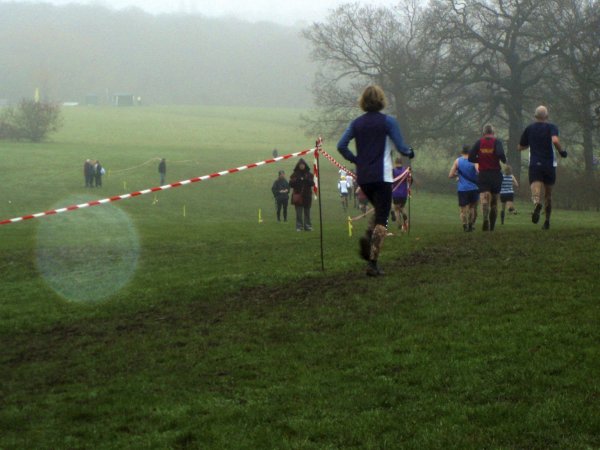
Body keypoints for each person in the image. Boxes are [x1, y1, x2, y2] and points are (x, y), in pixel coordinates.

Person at [337, 85, 414, 276]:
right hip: (382, 176)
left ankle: (367, 237)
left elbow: (341, 145)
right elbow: (401, 147)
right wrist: (410, 152)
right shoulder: (388, 122)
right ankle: (372, 263)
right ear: (381, 100)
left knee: (379, 210)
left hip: (364, 177)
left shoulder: (356, 123)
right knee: (382, 218)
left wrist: (356, 160)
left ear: (363, 101)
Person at [518, 105, 567, 230]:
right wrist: (562, 152)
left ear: (535, 116)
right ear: (547, 116)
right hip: (549, 164)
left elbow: (520, 147)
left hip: (535, 164)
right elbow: (555, 140)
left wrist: (530, 143)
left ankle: (537, 204)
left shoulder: (529, 128)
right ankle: (547, 222)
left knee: (536, 191)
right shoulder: (552, 127)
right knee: (548, 195)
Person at [468, 124, 506, 231]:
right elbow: (500, 153)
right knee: (494, 202)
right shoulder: (497, 142)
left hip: (483, 174)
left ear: (483, 133)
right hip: (495, 174)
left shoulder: (479, 142)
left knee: (484, 198)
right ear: (493, 133)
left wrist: (480, 159)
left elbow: (470, 157)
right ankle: (492, 227)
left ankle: (485, 219)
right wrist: (503, 160)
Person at [449, 145, 479, 231]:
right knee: (472, 208)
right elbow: (479, 171)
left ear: (462, 152)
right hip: (474, 188)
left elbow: (450, 175)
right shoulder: (474, 161)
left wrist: (457, 175)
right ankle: (470, 225)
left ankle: (465, 225)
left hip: (462, 189)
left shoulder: (457, 161)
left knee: (463, 209)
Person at [289, 158, 314, 231]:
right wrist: (297, 181)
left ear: (305, 165)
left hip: (307, 196)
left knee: (307, 212)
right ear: (298, 165)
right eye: (300, 165)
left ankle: (307, 226)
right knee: (299, 213)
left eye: (303, 165)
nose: (302, 166)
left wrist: (307, 180)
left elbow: (312, 183)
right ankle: (299, 226)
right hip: (298, 196)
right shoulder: (295, 174)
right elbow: (290, 184)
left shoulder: (309, 174)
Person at [392, 158, 411, 232]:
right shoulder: (405, 171)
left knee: (396, 209)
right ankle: (404, 216)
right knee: (402, 208)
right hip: (404, 193)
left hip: (396, 193)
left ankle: (399, 225)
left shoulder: (393, 171)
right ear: (401, 163)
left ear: (395, 163)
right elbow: (410, 180)